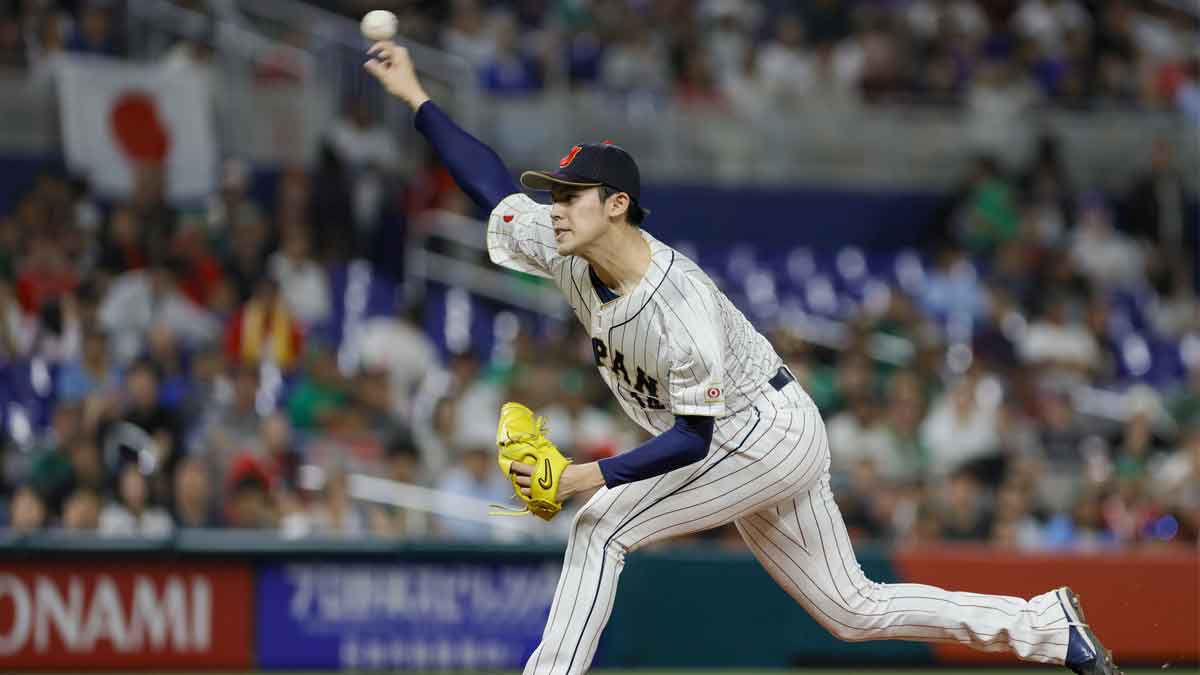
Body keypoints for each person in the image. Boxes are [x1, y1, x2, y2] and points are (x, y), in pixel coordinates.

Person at [364, 41, 1120, 675]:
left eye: (569, 194)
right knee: (853, 609)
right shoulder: (563, 246)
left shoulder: (678, 304)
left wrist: (582, 476)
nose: (553, 207)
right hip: (744, 434)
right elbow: (487, 183)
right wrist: (416, 95)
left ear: (616, 204)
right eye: (553, 195)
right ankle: (1049, 628)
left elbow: (694, 438)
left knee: (601, 525)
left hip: (758, 431)